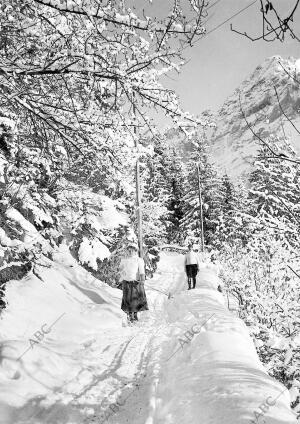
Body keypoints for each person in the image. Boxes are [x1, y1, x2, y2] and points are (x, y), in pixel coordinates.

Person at [119, 243, 149, 324]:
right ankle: (129, 315)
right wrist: (123, 273)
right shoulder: (124, 260)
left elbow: (142, 271)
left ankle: (135, 314)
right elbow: (120, 269)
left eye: (132, 251)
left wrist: (142, 280)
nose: (130, 252)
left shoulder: (138, 260)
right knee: (127, 299)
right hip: (126, 282)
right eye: (129, 250)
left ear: (136, 251)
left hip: (135, 282)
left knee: (135, 299)